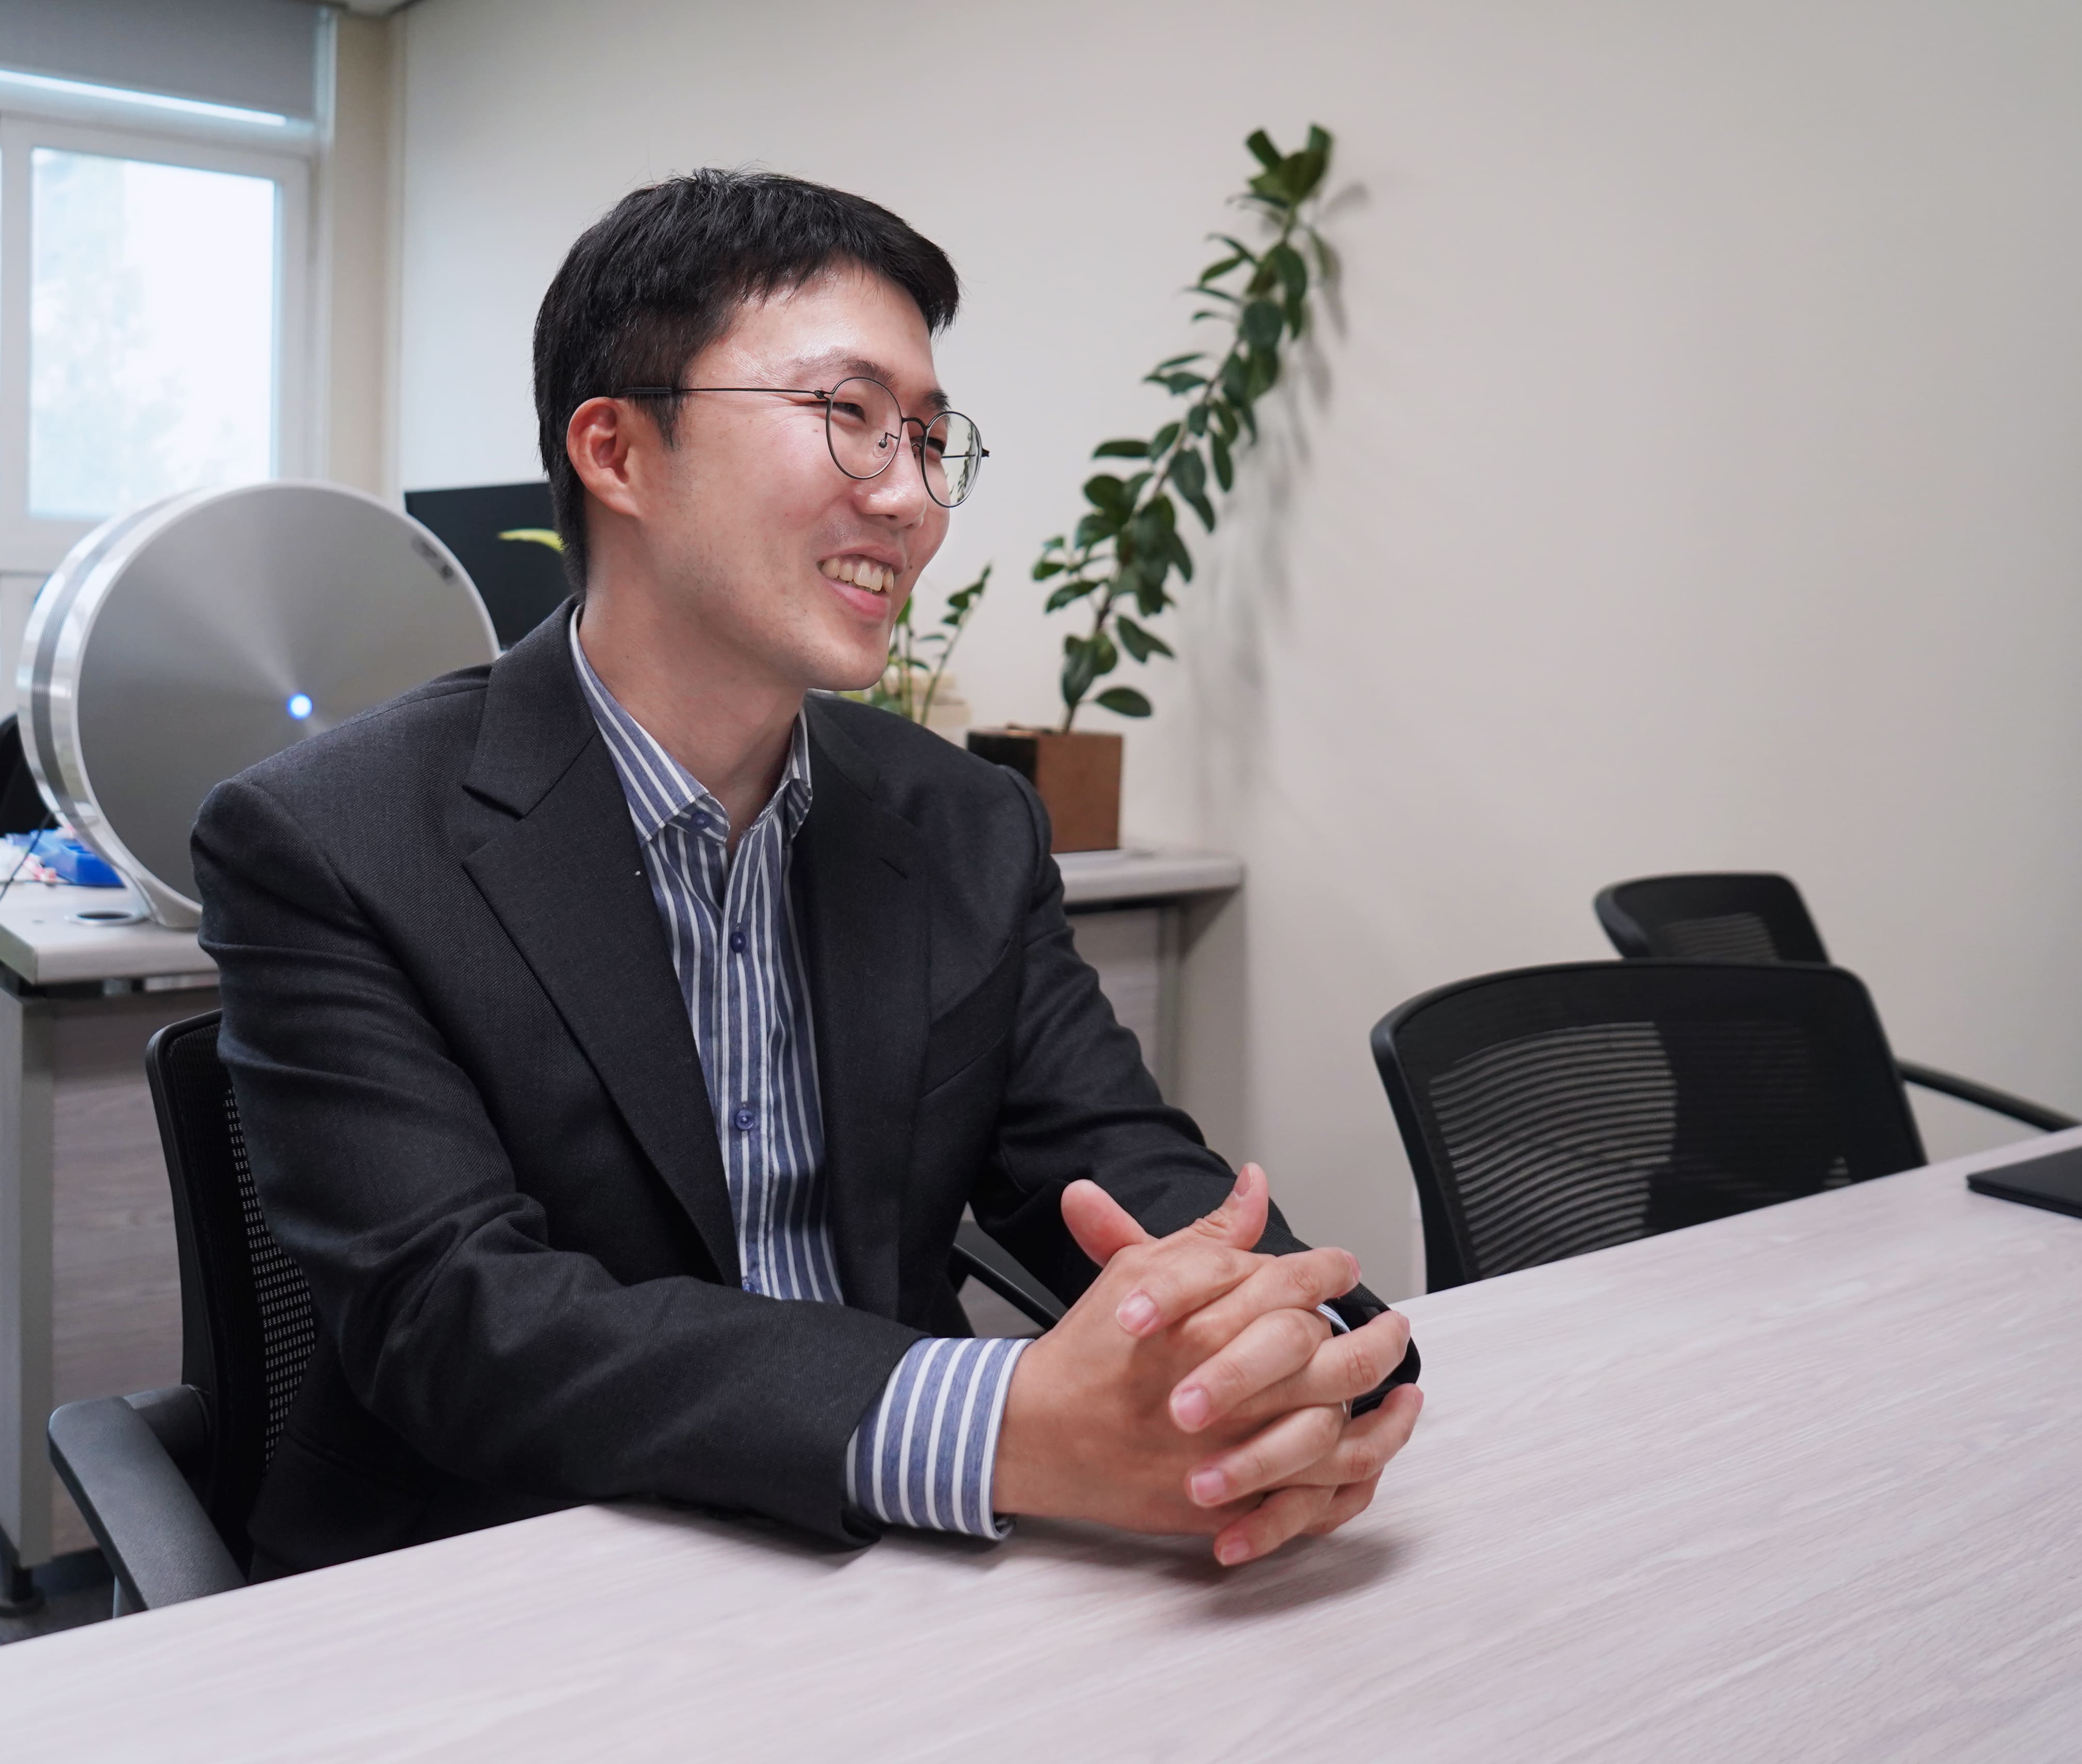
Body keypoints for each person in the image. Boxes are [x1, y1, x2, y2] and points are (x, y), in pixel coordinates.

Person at [194, 168, 1422, 1580]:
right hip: (510, 1569)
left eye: (931, 439)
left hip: (890, 1560)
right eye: (848, 415)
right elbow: (460, 1319)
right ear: (617, 452)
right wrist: (999, 1424)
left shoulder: (962, 823)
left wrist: (1283, 1349)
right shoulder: (333, 840)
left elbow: (1110, 1155)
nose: (910, 497)